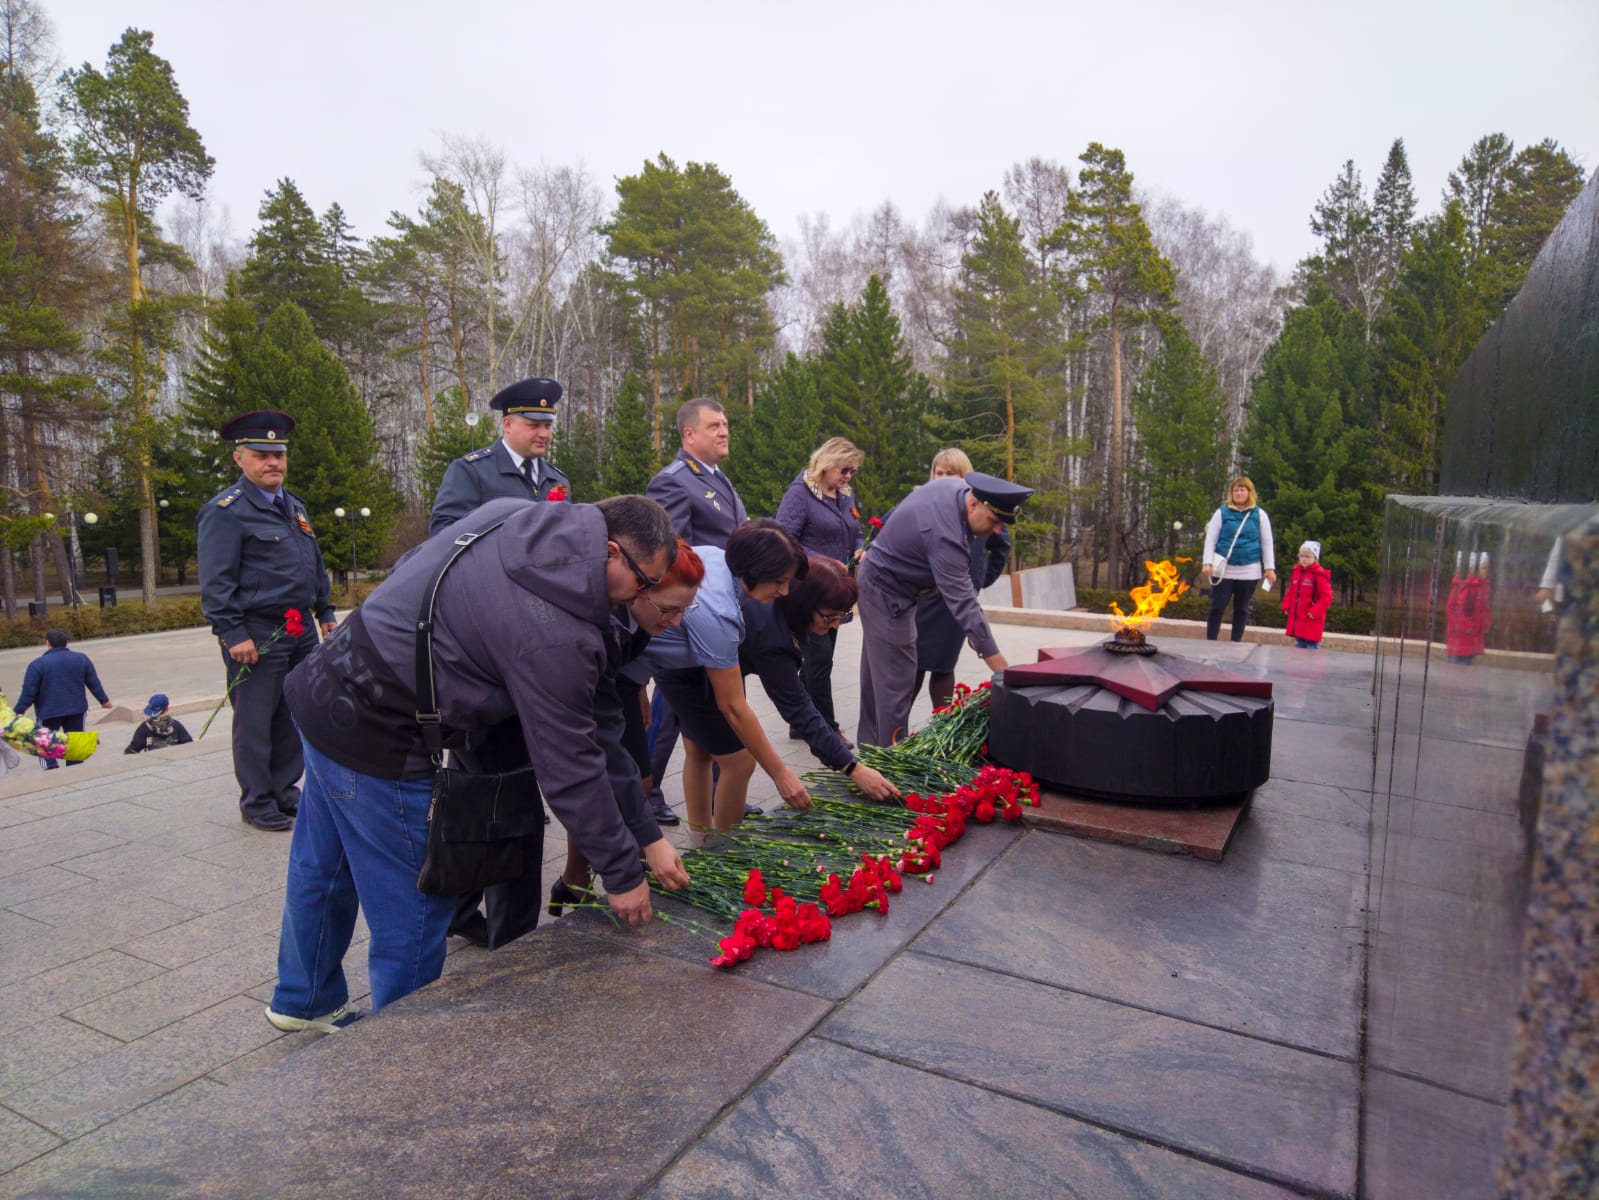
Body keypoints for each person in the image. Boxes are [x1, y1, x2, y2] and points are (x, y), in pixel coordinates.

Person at [267, 495, 684, 1032]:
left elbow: (412, 565)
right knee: (417, 905)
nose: (640, 598)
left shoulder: (515, 512)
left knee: (321, 867)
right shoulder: (554, 630)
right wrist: (625, 873)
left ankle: (303, 1000)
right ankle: (400, 1051)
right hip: (379, 729)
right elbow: (571, 766)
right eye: (645, 583)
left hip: (326, 681)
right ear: (610, 551)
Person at [550, 540, 706, 915]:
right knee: (614, 779)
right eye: (669, 610)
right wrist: (652, 840)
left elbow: (626, 658)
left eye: (685, 610)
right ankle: (591, 875)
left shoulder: (643, 617)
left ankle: (597, 874)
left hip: (617, 684)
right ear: (640, 587)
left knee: (642, 781)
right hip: (587, 690)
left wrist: (636, 685)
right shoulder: (603, 620)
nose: (676, 623)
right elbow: (599, 737)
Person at [644, 521, 819, 834]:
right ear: (752, 571)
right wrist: (781, 774)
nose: (784, 591)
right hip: (672, 669)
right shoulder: (720, 616)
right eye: (779, 581)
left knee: (698, 749)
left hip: (677, 664)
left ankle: (702, 844)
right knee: (739, 762)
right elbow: (734, 707)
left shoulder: (715, 556)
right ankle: (726, 853)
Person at [855, 472, 1032, 749]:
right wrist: (1003, 671)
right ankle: (889, 766)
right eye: (995, 520)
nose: (998, 530)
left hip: (882, 584)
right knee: (895, 684)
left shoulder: (955, 488)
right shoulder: (945, 535)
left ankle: (869, 753)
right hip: (888, 594)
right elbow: (965, 605)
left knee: (878, 677)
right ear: (974, 505)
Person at [645, 396, 751, 821]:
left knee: (698, 722)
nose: (724, 431)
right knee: (670, 714)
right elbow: (676, 554)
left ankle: (721, 788)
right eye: (713, 426)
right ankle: (648, 791)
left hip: (717, 610)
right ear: (689, 435)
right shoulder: (673, 481)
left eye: (725, 424)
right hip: (690, 616)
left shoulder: (717, 477)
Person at [775, 437, 864, 745]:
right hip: (811, 593)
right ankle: (826, 728)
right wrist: (823, 563)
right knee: (819, 661)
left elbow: (856, 530)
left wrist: (860, 548)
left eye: (852, 471)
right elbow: (785, 539)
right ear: (826, 464)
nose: (848, 476)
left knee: (818, 661)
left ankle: (800, 722)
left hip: (836, 593)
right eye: (844, 469)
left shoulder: (844, 494)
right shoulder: (799, 494)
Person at [911, 449, 1011, 710]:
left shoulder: (981, 506)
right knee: (913, 666)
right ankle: (894, 729)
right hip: (925, 598)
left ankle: (942, 728)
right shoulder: (923, 500)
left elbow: (1001, 545)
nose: (943, 478)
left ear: (965, 476)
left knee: (944, 666)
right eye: (938, 472)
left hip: (955, 602)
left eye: (950, 473)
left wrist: (980, 580)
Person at [428, 377, 571, 534]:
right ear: (507, 424)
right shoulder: (472, 472)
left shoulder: (557, 479)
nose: (544, 434)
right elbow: (444, 535)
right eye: (534, 425)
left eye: (548, 426)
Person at [13, 628, 112, 769]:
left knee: (45, 744)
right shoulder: (81, 659)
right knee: (74, 741)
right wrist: (104, 700)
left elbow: (29, 692)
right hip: (76, 709)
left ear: (47, 643)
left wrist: (19, 710)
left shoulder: (37, 664)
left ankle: (51, 771)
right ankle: (74, 769)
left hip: (48, 711)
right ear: (67, 642)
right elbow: (93, 682)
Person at [1199, 476, 1276, 643]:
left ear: (1249, 492)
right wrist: (1207, 562)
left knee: (1241, 609)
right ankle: (1210, 640)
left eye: (1242, 489)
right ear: (1231, 493)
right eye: (1236, 490)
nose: (1239, 493)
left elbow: (1267, 542)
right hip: (1223, 569)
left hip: (1249, 570)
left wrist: (1269, 567)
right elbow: (1211, 538)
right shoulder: (1221, 512)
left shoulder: (1259, 514)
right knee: (1217, 607)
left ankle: (1236, 642)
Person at [1282, 541, 1333, 650]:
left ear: (1315, 558)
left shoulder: (1319, 575)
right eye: (1301, 556)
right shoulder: (1296, 572)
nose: (1303, 559)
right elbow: (1291, 592)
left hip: (1311, 621)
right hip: (1298, 621)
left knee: (1311, 648)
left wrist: (1315, 611)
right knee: (1299, 647)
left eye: (1307, 556)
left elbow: (1326, 597)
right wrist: (1287, 605)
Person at [125, 694, 194, 753]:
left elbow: (134, 749)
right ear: (167, 709)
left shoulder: (144, 727)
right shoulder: (176, 725)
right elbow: (188, 744)